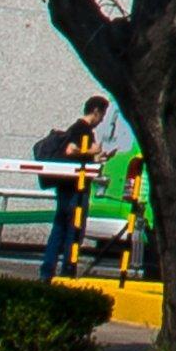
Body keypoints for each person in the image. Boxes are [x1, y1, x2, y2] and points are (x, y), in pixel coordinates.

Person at [29, 98, 110, 280]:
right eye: (103, 115)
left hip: (67, 185)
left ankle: (47, 271)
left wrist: (99, 157)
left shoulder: (80, 130)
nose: (103, 120)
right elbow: (71, 150)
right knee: (73, 229)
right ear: (95, 111)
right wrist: (93, 151)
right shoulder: (81, 129)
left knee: (59, 226)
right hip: (75, 188)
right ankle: (67, 269)